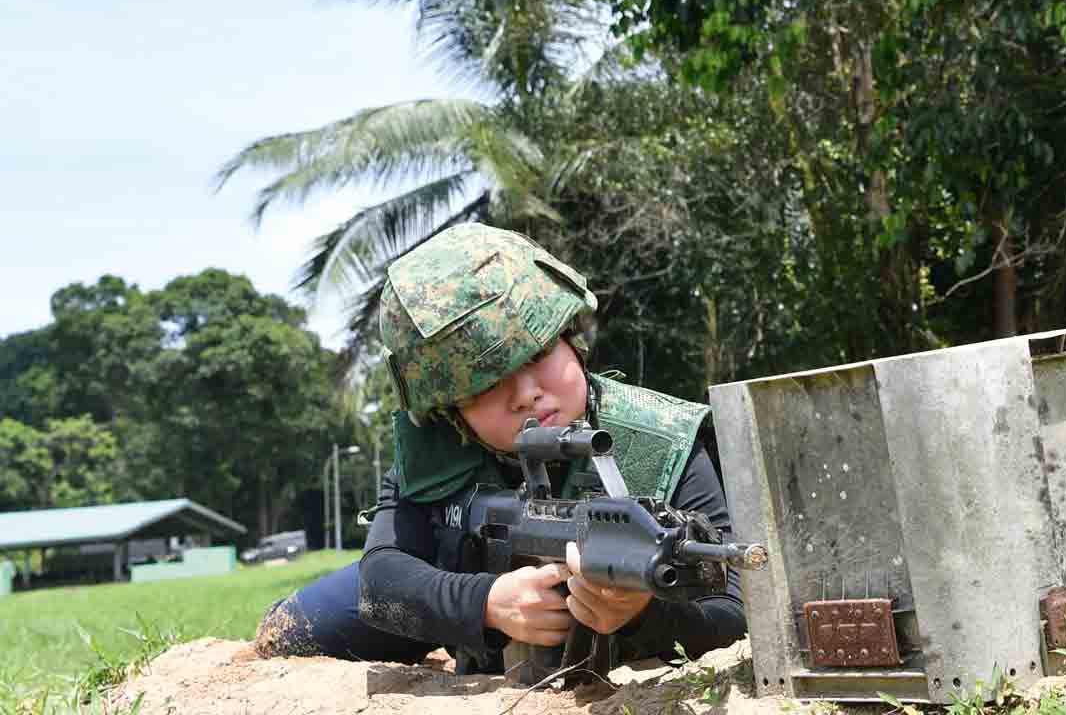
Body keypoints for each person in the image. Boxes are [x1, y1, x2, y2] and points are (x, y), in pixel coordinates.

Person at [255, 224, 746, 670]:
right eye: (485, 383)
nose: (526, 393)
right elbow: (381, 579)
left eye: (538, 354)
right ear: (451, 409)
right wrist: (486, 603)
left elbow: (734, 613)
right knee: (287, 632)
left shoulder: (664, 442)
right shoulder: (437, 452)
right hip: (462, 600)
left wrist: (640, 616)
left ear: (571, 339)